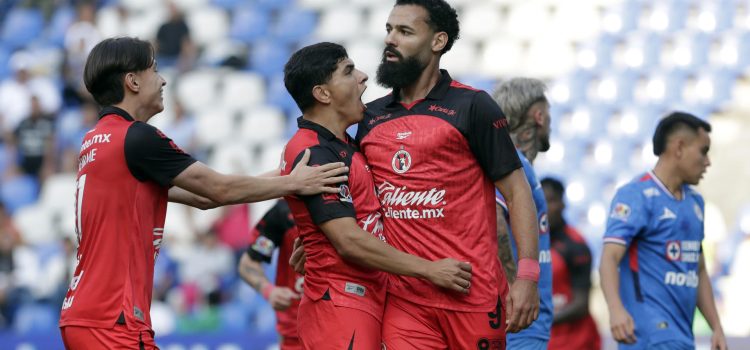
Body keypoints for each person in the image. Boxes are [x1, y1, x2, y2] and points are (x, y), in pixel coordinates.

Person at [57, 37, 348, 349]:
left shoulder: (95, 141)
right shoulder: (137, 139)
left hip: (84, 311)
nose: (163, 78)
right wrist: (295, 183)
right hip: (113, 318)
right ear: (133, 81)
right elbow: (217, 189)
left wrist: (287, 172)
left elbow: (204, 199)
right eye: (154, 70)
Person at [355, 1, 540, 347]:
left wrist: (527, 276)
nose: (390, 40)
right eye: (389, 30)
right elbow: (354, 196)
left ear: (438, 41)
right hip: (405, 301)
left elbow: (517, 192)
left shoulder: (473, 106)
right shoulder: (368, 118)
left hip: (472, 295)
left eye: (405, 31)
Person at [281, 41, 472, 349]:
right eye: (348, 71)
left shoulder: (340, 144)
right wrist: (430, 269)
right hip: (339, 305)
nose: (363, 76)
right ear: (323, 93)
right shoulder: (314, 152)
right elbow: (348, 240)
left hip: (360, 300)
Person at [600, 112, 727, 350]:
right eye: (703, 150)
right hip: (646, 336)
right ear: (679, 147)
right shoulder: (635, 195)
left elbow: (698, 269)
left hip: (681, 337)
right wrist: (616, 310)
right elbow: (609, 257)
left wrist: (716, 327)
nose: (707, 161)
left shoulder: (695, 204)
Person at [491, 78, 553, 350]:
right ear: (538, 116)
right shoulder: (513, 165)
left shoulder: (519, 164)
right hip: (520, 323)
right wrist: (518, 288)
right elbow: (493, 219)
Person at [541, 177, 601, 350]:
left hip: (576, 342)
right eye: (540, 200)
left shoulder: (576, 245)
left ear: (562, 204)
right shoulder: (527, 241)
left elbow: (581, 305)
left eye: (551, 200)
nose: (544, 207)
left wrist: (540, 319)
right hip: (543, 341)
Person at [238, 200, 303, 350]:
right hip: (294, 330)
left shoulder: (354, 202)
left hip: (343, 321)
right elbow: (248, 263)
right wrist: (269, 290)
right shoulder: (283, 213)